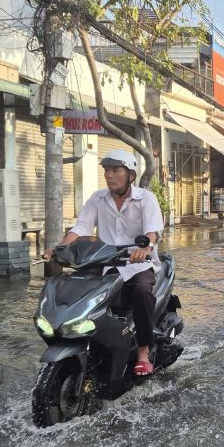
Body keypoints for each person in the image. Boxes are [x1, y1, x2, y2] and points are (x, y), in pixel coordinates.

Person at [43, 150, 164, 376]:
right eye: (107, 171)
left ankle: (143, 352)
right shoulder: (98, 198)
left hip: (137, 264)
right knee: (75, 292)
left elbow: (153, 230)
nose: (109, 176)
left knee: (141, 293)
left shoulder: (146, 199)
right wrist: (60, 248)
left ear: (131, 174)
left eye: (116, 170)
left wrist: (144, 247)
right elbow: (81, 228)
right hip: (104, 264)